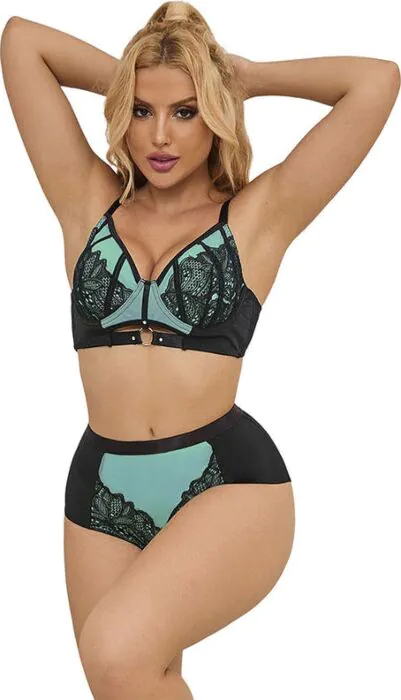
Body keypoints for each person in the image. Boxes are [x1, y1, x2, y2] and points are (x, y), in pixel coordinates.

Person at [1, 2, 398, 698]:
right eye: (142, 111)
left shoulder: (258, 215)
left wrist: (238, 78)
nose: (160, 135)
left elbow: (376, 80)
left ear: (214, 115)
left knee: (117, 651)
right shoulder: (85, 200)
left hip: (226, 480)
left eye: (185, 112)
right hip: (101, 483)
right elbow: (20, 41)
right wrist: (138, 76)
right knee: (126, 681)